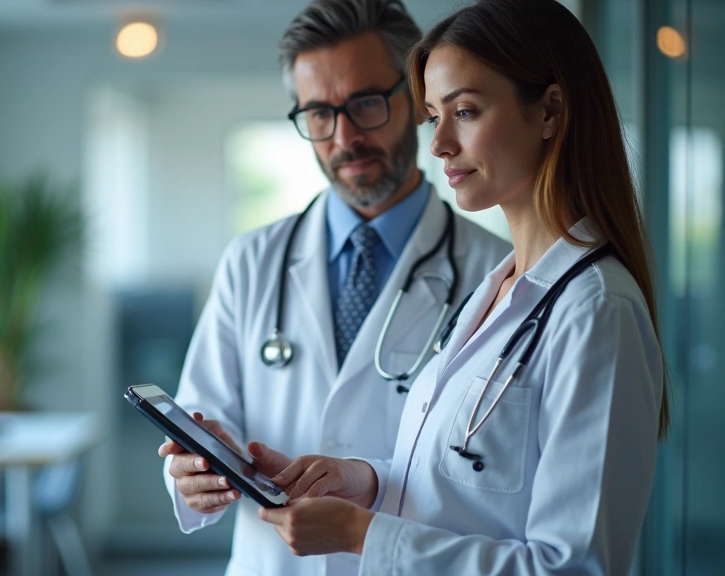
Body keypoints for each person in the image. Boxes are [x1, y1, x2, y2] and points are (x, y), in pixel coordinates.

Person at [253, 1, 670, 574]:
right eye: (432, 117)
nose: (440, 144)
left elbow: (575, 566)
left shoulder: (597, 309)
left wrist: (362, 535)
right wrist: (365, 480)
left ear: (550, 111)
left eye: (466, 112)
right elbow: (467, 484)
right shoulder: (499, 288)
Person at [157, 0, 510, 574]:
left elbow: (492, 480)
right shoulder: (252, 261)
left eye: (366, 103)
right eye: (319, 113)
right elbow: (202, 412)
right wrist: (192, 473)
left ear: (417, 99)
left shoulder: (497, 272)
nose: (344, 136)